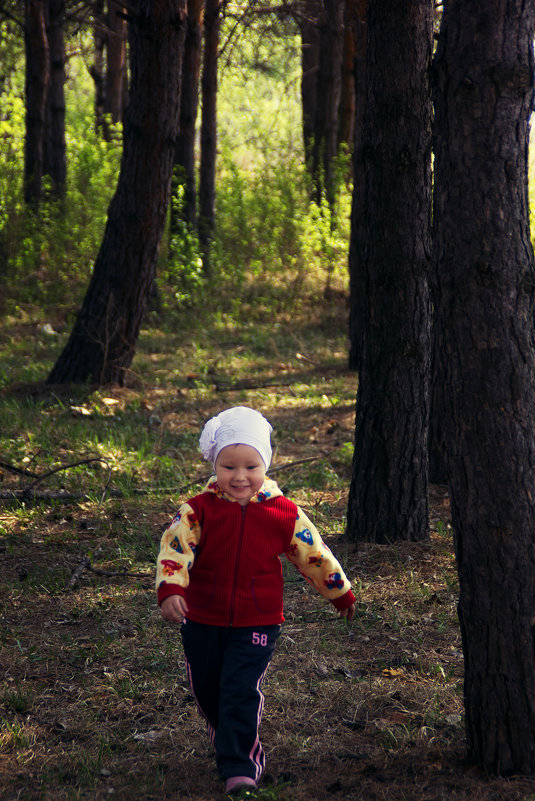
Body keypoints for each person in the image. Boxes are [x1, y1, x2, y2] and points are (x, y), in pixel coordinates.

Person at [156, 406, 355, 796]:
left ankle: (241, 763)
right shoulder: (197, 510)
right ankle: (225, 732)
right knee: (208, 688)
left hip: (257, 619)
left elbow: (314, 554)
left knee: (240, 689)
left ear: (265, 464)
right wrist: (172, 588)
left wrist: (338, 590)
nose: (240, 476)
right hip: (203, 616)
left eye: (251, 466)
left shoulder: (283, 513)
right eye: (229, 466)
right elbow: (175, 550)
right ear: (215, 466)